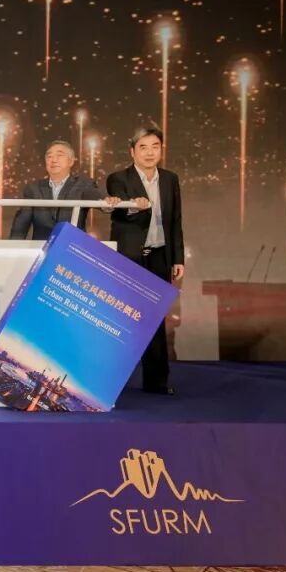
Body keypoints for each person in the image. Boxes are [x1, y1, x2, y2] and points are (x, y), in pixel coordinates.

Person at [107, 127, 184, 395]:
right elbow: (117, 214)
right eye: (143, 147)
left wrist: (177, 258)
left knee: (154, 318)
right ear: (132, 152)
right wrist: (132, 205)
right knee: (121, 317)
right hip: (129, 257)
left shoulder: (170, 179)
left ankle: (157, 381)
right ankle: (109, 380)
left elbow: (175, 220)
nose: (150, 152)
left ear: (161, 149)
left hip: (160, 255)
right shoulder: (118, 178)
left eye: (155, 146)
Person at [9, 140, 117, 240]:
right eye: (49, 156)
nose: (54, 160)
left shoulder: (83, 184)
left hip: (72, 247)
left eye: (59, 155)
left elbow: (95, 195)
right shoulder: (33, 188)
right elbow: (20, 225)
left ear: (71, 161)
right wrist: (13, 248)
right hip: (42, 248)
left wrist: (105, 201)